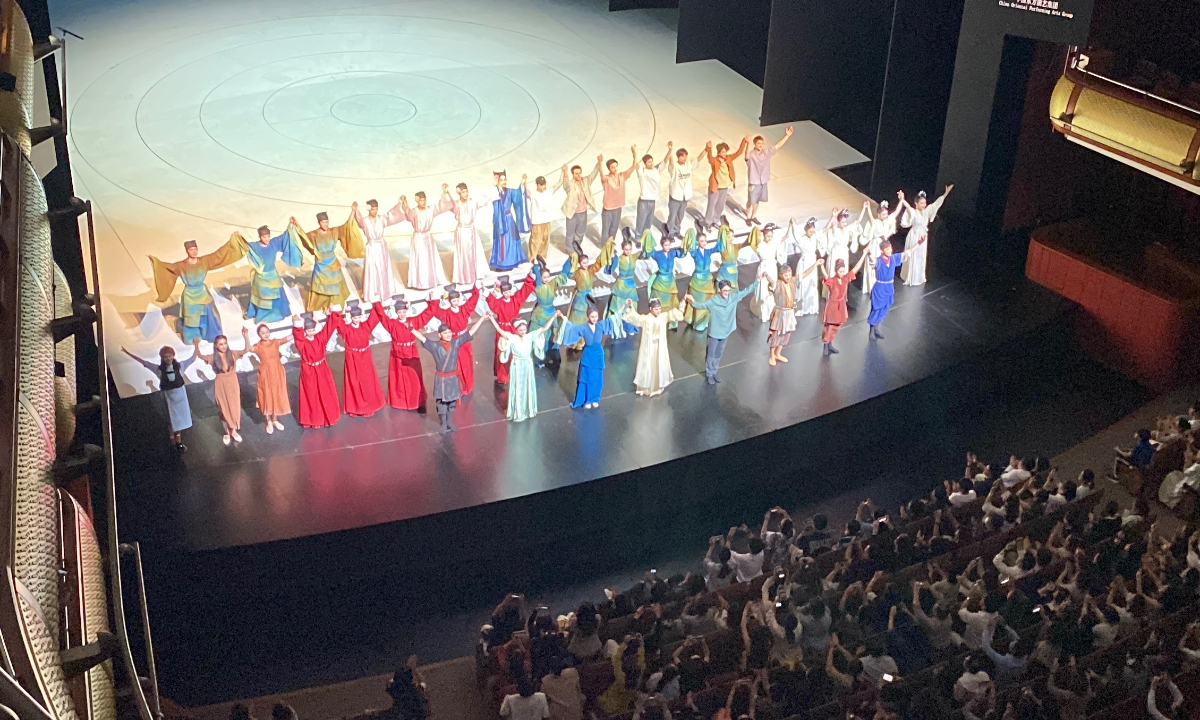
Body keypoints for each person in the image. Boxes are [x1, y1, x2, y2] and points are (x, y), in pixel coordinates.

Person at [150, 236, 246, 342]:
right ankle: (193, 337)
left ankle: (211, 335)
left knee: (209, 314)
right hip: (190, 294)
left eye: (195, 249)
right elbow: (168, 267)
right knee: (192, 318)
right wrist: (156, 262)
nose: (194, 251)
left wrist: (233, 241)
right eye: (191, 249)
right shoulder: (181, 265)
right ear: (187, 251)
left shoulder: (204, 261)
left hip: (202, 292)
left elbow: (219, 255)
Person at [412, 312, 492, 433]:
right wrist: (410, 328)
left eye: (449, 332)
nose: (448, 334)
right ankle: (443, 423)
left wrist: (481, 318)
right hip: (441, 379)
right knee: (442, 403)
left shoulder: (456, 343)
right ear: (439, 334)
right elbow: (422, 338)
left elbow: (470, 332)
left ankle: (449, 421)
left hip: (453, 378)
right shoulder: (434, 346)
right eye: (445, 333)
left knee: (452, 402)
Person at [120, 345, 198, 451]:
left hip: (180, 396)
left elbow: (193, 358)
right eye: (165, 357)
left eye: (170, 356)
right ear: (162, 358)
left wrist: (196, 345)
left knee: (179, 420)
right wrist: (127, 353)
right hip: (168, 397)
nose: (168, 358)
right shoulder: (159, 369)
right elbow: (144, 363)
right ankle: (173, 442)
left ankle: (179, 443)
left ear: (173, 355)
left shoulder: (180, 366)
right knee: (171, 420)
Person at [684, 276, 759, 384]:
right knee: (711, 354)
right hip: (715, 333)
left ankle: (714, 371)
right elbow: (700, 306)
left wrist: (757, 281)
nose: (727, 292)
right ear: (720, 290)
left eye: (728, 290)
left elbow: (746, 291)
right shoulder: (713, 301)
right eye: (725, 290)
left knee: (719, 353)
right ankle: (709, 373)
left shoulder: (733, 298)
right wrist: (691, 300)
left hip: (726, 331)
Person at [409, 284, 481, 395]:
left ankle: (468, 385)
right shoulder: (446, 313)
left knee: (466, 365)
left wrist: (476, 289)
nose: (456, 302)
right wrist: (432, 300)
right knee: (455, 365)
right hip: (453, 343)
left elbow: (473, 301)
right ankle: (459, 387)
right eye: (453, 300)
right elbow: (435, 310)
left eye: (457, 300)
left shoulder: (464, 309)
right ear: (449, 301)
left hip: (464, 341)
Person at [296, 211, 366, 312]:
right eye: (323, 222)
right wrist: (296, 226)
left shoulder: (334, 231)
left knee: (335, 284)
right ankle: (324, 304)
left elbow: (346, 226)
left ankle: (336, 305)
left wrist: (353, 212)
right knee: (322, 286)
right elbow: (303, 237)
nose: (325, 224)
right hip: (321, 264)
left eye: (327, 222)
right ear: (319, 223)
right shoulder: (314, 234)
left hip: (333, 262)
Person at [491, 315, 555, 422]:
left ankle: (528, 409)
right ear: (516, 330)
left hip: (527, 364)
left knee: (527, 385)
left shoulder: (530, 336)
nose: (523, 331)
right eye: (520, 330)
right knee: (517, 386)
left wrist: (553, 317)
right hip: (517, 365)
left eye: (524, 329)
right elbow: (499, 330)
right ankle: (517, 411)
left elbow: (544, 329)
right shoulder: (512, 337)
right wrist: (492, 319)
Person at [328, 300, 384, 418]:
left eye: (359, 317)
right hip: (352, 358)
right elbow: (337, 323)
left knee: (367, 381)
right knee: (354, 381)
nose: (357, 320)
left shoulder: (365, 326)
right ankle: (355, 407)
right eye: (355, 317)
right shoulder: (346, 329)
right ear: (351, 317)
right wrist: (335, 312)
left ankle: (369, 406)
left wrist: (377, 304)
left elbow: (375, 317)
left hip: (365, 358)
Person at [240, 223, 305, 323]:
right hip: (261, 276)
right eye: (264, 237)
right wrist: (238, 237)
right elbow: (244, 245)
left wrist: (290, 226)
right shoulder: (255, 246)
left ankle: (278, 313)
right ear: (260, 237)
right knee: (263, 296)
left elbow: (285, 236)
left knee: (277, 294)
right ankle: (263, 315)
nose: (267, 239)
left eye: (268, 236)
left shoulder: (273, 243)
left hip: (272, 275)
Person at [372, 296, 427, 412]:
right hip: (398, 355)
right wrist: (377, 303)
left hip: (411, 354)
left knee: (415, 378)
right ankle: (401, 402)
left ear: (406, 311)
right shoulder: (392, 324)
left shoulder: (413, 321)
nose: (402, 314)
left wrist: (433, 301)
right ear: (396, 312)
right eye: (399, 312)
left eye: (403, 312)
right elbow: (382, 316)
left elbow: (427, 315)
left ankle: (418, 401)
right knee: (399, 379)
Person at [561, 306, 620, 408]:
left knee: (597, 379)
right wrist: (562, 317)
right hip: (588, 355)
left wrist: (624, 306)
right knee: (586, 377)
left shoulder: (601, 325)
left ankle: (595, 398)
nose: (594, 319)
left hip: (598, 354)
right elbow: (571, 327)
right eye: (592, 317)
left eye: (596, 316)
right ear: (588, 317)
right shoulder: (584, 328)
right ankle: (587, 400)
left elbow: (614, 318)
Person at [485, 271, 537, 386]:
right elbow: (491, 300)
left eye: (509, 291)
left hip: (514, 329)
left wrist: (529, 278)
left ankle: (516, 374)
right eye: (505, 292)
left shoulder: (515, 299)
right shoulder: (498, 303)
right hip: (503, 330)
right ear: (502, 292)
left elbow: (524, 291)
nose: (508, 294)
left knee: (516, 351)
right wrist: (485, 292)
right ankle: (503, 376)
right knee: (503, 351)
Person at [623, 297, 683, 397]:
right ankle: (646, 387)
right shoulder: (646, 319)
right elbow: (635, 318)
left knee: (659, 364)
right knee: (648, 365)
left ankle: (658, 386)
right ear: (650, 309)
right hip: (649, 347)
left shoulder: (663, 317)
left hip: (660, 346)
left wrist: (682, 304)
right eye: (656, 309)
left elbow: (673, 314)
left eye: (659, 308)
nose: (658, 311)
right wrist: (630, 306)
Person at [290, 312, 341, 428]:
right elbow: (297, 335)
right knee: (311, 394)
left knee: (325, 391)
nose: (311, 332)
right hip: (309, 370)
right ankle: (314, 419)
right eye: (308, 330)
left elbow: (329, 328)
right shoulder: (302, 342)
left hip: (321, 368)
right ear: (305, 331)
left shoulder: (320, 338)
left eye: (313, 330)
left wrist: (334, 314)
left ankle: (328, 416)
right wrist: (297, 324)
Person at [192, 334, 245, 445]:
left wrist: (246, 336)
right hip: (221, 384)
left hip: (233, 382)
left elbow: (246, 350)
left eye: (225, 343)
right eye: (221, 344)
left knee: (234, 406)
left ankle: (234, 430)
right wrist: (196, 345)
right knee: (224, 408)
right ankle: (227, 432)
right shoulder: (213, 357)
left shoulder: (232, 354)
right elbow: (200, 356)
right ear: (216, 346)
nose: (224, 346)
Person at [897, 186, 952, 287]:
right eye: (921, 203)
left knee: (920, 256)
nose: (924, 205)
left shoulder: (927, 211)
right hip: (914, 235)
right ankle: (910, 276)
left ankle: (918, 277)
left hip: (922, 236)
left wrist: (945, 193)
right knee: (912, 255)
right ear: (916, 203)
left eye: (924, 203)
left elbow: (937, 204)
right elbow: (908, 207)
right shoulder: (914, 212)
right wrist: (902, 199)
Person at [353, 199, 405, 301]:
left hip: (381, 246)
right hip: (372, 246)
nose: (374, 211)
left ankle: (384, 291)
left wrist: (399, 203)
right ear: (369, 209)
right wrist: (355, 210)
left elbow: (392, 214)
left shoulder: (381, 219)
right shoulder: (365, 220)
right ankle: (373, 292)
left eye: (376, 209)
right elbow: (359, 220)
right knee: (372, 268)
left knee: (382, 268)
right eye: (372, 209)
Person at [440, 182, 492, 286]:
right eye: (463, 192)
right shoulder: (457, 204)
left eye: (466, 191)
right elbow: (448, 203)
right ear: (459, 193)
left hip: (471, 230)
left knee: (475, 252)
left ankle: (476, 274)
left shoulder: (473, 202)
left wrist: (494, 187)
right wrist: (446, 192)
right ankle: (465, 276)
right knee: (464, 254)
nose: (466, 193)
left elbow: (484, 200)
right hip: (462, 231)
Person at [243, 324, 291, 434]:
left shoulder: (275, 342)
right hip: (265, 373)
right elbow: (248, 349)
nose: (265, 334)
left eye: (267, 331)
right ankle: (268, 420)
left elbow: (287, 338)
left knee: (276, 394)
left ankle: (275, 419)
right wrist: (246, 336)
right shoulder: (258, 346)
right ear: (259, 335)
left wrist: (298, 327)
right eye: (262, 333)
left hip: (277, 371)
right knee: (267, 395)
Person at [398, 192, 450, 291]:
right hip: (419, 237)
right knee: (421, 259)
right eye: (421, 200)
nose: (423, 202)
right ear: (417, 200)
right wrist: (405, 203)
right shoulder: (414, 211)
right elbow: (409, 215)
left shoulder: (430, 210)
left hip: (428, 236)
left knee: (430, 259)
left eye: (424, 200)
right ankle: (421, 282)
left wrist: (444, 193)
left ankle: (432, 280)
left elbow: (440, 206)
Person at [561, 248, 612, 349]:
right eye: (584, 263)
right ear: (579, 263)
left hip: (588, 297)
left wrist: (606, 250)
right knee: (577, 320)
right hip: (580, 299)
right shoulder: (577, 272)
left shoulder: (590, 270)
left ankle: (583, 341)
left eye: (587, 262)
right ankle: (574, 342)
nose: (586, 265)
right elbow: (568, 273)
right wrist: (571, 259)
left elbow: (598, 264)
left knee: (587, 319)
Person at [818, 255, 866, 356]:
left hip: (841, 304)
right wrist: (821, 266)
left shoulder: (845, 279)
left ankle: (830, 343)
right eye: (840, 271)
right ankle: (826, 345)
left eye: (843, 271)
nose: (842, 273)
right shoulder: (832, 281)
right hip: (833, 305)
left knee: (837, 326)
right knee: (829, 326)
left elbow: (856, 269)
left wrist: (864, 255)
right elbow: (826, 276)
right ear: (836, 271)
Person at [744, 127, 793, 225]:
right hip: (754, 181)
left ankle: (753, 216)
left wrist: (787, 136)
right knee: (750, 201)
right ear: (755, 144)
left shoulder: (766, 152)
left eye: (762, 143)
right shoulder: (751, 154)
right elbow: (746, 157)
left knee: (757, 200)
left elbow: (777, 145)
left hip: (763, 181)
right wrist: (747, 143)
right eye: (759, 143)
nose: (761, 145)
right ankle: (748, 217)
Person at [866, 239, 911, 340]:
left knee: (884, 308)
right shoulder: (879, 261)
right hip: (880, 288)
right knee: (876, 309)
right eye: (887, 249)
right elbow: (873, 261)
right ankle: (871, 331)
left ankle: (877, 328)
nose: (890, 250)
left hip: (889, 287)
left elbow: (906, 253)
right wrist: (869, 254)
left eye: (890, 248)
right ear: (882, 250)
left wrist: (918, 244)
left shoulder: (893, 258)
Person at [856, 200, 901, 297]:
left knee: (883, 264)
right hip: (876, 245)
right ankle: (872, 285)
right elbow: (871, 218)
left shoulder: (886, 221)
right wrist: (867, 208)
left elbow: (896, 213)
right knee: (874, 264)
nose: (885, 216)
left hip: (884, 245)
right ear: (879, 214)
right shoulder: (875, 222)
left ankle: (880, 283)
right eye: (883, 214)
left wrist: (901, 200)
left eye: (886, 214)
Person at [702, 137, 749, 229]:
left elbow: (739, 152)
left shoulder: (729, 158)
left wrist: (744, 141)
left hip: (724, 186)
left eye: (725, 151)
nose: (724, 153)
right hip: (715, 186)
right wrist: (709, 148)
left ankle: (715, 220)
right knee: (712, 204)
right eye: (723, 152)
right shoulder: (714, 160)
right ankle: (708, 222)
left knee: (720, 205)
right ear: (719, 152)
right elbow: (709, 157)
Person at [560, 160, 602, 256]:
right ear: (573, 174)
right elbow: (565, 184)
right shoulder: (570, 184)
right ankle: (570, 250)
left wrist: (599, 163)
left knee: (580, 231)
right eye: (576, 173)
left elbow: (593, 174)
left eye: (580, 173)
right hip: (572, 213)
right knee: (570, 232)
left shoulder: (585, 181)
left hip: (583, 212)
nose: (579, 175)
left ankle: (577, 246)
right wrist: (565, 172)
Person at [490, 171, 530, 271]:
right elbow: (492, 196)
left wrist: (522, 183)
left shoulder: (510, 192)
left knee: (511, 240)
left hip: (509, 219)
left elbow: (518, 195)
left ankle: (510, 261)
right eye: (501, 180)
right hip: (499, 220)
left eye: (505, 179)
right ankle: (500, 263)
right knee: (500, 242)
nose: (504, 182)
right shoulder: (496, 192)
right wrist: (494, 186)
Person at [529, 259, 569, 359]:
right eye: (544, 277)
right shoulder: (538, 286)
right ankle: (541, 352)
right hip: (541, 312)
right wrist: (535, 266)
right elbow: (537, 278)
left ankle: (554, 349)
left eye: (548, 277)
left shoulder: (551, 284)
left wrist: (569, 260)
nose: (546, 279)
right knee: (543, 333)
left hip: (551, 310)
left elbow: (562, 276)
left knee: (555, 330)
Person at [682, 228, 720, 332]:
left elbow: (717, 247)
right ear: (698, 242)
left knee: (706, 301)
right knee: (698, 300)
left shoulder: (708, 251)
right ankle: (695, 320)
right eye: (702, 240)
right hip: (698, 281)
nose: (704, 242)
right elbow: (690, 247)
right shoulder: (695, 252)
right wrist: (691, 234)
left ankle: (703, 321)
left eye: (705, 240)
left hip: (707, 279)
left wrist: (722, 235)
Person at [605, 230, 642, 334]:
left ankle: (629, 327)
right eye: (626, 249)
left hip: (631, 285)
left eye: (630, 249)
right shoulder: (619, 258)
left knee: (631, 307)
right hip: (621, 285)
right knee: (618, 307)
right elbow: (610, 269)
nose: (628, 251)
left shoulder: (634, 257)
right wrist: (611, 258)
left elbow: (644, 254)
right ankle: (615, 327)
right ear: (622, 249)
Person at [646, 234, 684, 330]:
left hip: (670, 281)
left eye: (668, 245)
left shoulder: (672, 253)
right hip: (661, 282)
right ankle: (658, 323)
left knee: (673, 303)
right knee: (661, 303)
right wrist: (648, 239)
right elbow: (650, 252)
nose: (667, 247)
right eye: (665, 245)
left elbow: (681, 254)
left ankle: (672, 323)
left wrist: (685, 247)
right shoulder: (658, 255)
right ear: (662, 245)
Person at [600, 149, 637, 242]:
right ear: (609, 168)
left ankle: (611, 245)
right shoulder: (606, 179)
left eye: (616, 166)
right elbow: (601, 175)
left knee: (614, 228)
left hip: (618, 207)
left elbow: (634, 166)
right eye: (612, 167)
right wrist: (600, 163)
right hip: (608, 208)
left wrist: (634, 154)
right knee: (606, 229)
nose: (615, 169)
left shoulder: (622, 176)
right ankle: (604, 246)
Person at [765, 262, 797, 366]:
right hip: (780, 313)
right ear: (781, 275)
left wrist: (815, 264)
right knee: (776, 334)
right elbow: (771, 282)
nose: (788, 277)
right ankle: (772, 355)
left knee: (786, 334)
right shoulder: (778, 284)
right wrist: (767, 276)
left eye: (789, 274)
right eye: (785, 275)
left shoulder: (792, 281)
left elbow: (804, 275)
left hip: (789, 312)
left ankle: (778, 353)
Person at [664, 143, 696, 239]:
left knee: (680, 215)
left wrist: (707, 149)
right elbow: (671, 162)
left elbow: (698, 159)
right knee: (673, 215)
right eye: (682, 156)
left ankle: (677, 230)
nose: (685, 158)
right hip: (675, 195)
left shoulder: (688, 165)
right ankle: (670, 231)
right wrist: (670, 150)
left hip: (684, 196)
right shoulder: (675, 167)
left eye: (685, 156)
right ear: (678, 157)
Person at [525, 175, 559, 262]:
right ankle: (532, 258)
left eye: (544, 184)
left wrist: (563, 173)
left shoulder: (547, 192)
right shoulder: (533, 193)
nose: (544, 186)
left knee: (545, 239)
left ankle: (542, 256)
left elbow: (557, 185)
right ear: (538, 185)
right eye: (542, 185)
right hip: (537, 221)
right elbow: (526, 192)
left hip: (546, 220)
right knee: (535, 240)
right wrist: (524, 182)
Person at [634, 149, 667, 235]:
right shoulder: (642, 171)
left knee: (649, 220)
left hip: (652, 200)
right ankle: (638, 236)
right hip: (644, 201)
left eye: (652, 161)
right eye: (649, 162)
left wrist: (670, 150)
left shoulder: (656, 170)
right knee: (641, 219)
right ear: (645, 164)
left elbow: (665, 161)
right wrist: (634, 153)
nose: (651, 163)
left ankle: (646, 235)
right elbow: (636, 164)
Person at [819, 208, 858, 274]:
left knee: (843, 272)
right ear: (839, 222)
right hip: (836, 254)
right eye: (842, 222)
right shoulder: (836, 230)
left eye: (845, 222)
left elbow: (857, 221)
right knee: (834, 272)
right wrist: (834, 215)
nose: (844, 224)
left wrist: (865, 208)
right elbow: (831, 225)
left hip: (844, 253)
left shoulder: (847, 230)